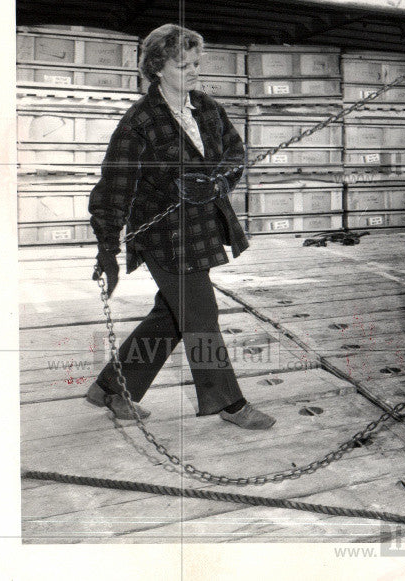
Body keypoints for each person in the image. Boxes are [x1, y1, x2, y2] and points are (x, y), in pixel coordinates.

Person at [85, 23, 275, 429]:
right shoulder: (140, 121)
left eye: (196, 63)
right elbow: (114, 186)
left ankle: (111, 388)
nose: (193, 72)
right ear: (156, 69)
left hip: (201, 229)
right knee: (202, 316)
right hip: (160, 236)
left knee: (172, 316)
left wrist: (220, 180)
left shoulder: (206, 108)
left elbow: (234, 152)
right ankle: (230, 403)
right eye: (182, 65)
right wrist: (107, 248)